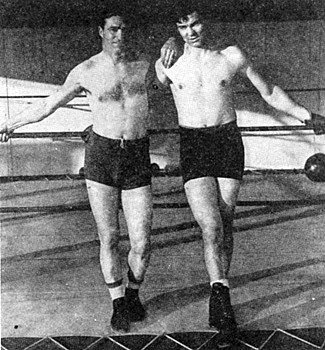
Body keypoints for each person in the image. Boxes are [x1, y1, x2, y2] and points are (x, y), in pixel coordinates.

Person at [155, 4, 325, 346]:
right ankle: (223, 301)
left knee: (225, 221)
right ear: (176, 29)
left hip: (227, 142)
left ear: (207, 22)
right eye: (182, 26)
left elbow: (269, 91)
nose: (191, 32)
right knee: (211, 225)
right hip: (194, 144)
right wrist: (163, 47)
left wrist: (307, 116)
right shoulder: (169, 62)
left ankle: (220, 291)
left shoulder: (231, 56)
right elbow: (147, 85)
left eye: (195, 23)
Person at [0, 9, 177, 333]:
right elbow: (50, 103)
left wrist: (172, 41)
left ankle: (134, 294)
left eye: (123, 29)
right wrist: (11, 123)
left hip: (136, 154)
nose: (119, 36)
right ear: (100, 31)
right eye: (112, 30)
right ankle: (118, 302)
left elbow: (169, 74)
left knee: (142, 240)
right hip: (102, 155)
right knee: (109, 237)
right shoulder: (86, 71)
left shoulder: (144, 64)